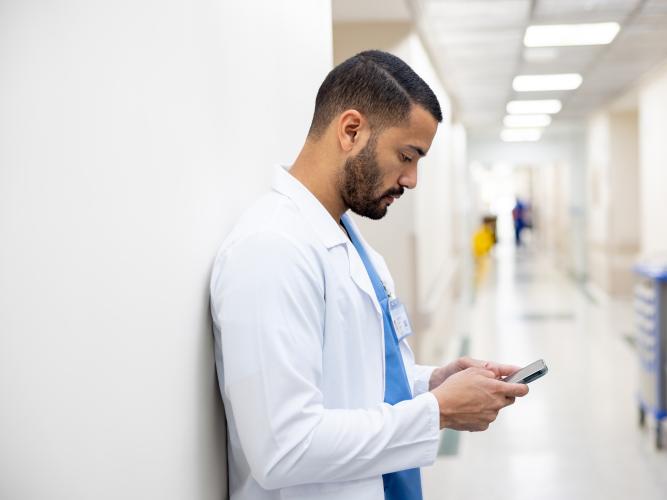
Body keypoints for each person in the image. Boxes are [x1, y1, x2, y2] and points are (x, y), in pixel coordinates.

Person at [210, 50, 529, 500]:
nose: (413, 179)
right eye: (407, 155)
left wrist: (430, 383)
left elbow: (355, 381)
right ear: (351, 130)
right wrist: (437, 411)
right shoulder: (272, 249)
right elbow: (283, 448)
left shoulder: (348, 243)